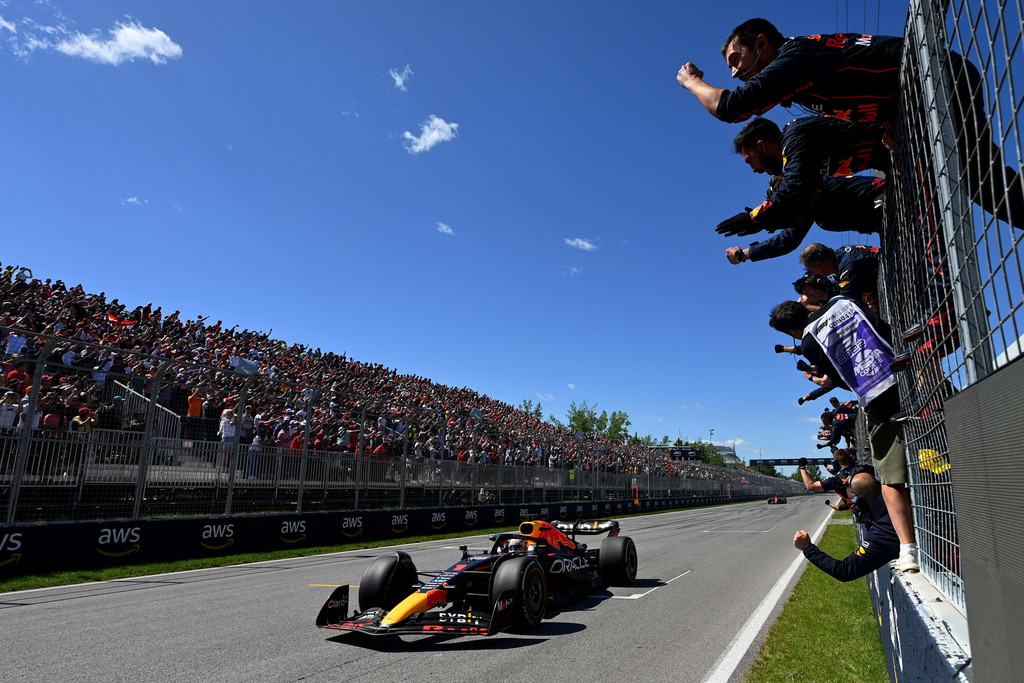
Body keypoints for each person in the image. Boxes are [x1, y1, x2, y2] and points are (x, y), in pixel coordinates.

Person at [678, 17, 1024, 228]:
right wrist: (889, 121)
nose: (735, 73)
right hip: (923, 95)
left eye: (736, 60)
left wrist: (692, 82)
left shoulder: (795, 59)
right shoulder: (801, 75)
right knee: (977, 179)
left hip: (937, 78)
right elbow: (868, 78)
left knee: (977, 177)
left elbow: (730, 108)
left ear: (762, 44)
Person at [770, 298, 919, 572]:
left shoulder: (809, 343)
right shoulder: (841, 301)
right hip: (907, 369)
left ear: (791, 331)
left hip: (876, 393)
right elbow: (881, 326)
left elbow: (839, 378)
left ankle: (908, 548)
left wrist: (819, 381)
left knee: (890, 477)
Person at [715, 117, 889, 241]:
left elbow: (793, 189)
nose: (754, 170)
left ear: (761, 147)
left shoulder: (795, 137)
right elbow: (800, 207)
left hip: (895, 133)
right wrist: (764, 222)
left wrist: (752, 217)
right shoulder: (799, 156)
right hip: (890, 155)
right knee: (825, 219)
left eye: (750, 161)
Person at [726, 175, 884, 265]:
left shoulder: (810, 191)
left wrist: (762, 221)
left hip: (886, 199)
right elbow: (787, 240)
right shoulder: (808, 204)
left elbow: (787, 239)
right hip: (884, 217)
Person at [794, 472, 901, 581]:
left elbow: (843, 571)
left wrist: (807, 547)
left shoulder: (881, 532)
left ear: (859, 504)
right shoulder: (902, 498)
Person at [800, 243, 881, 311]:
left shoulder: (848, 267)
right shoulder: (840, 256)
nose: (814, 274)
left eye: (811, 271)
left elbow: (846, 305)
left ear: (819, 265)